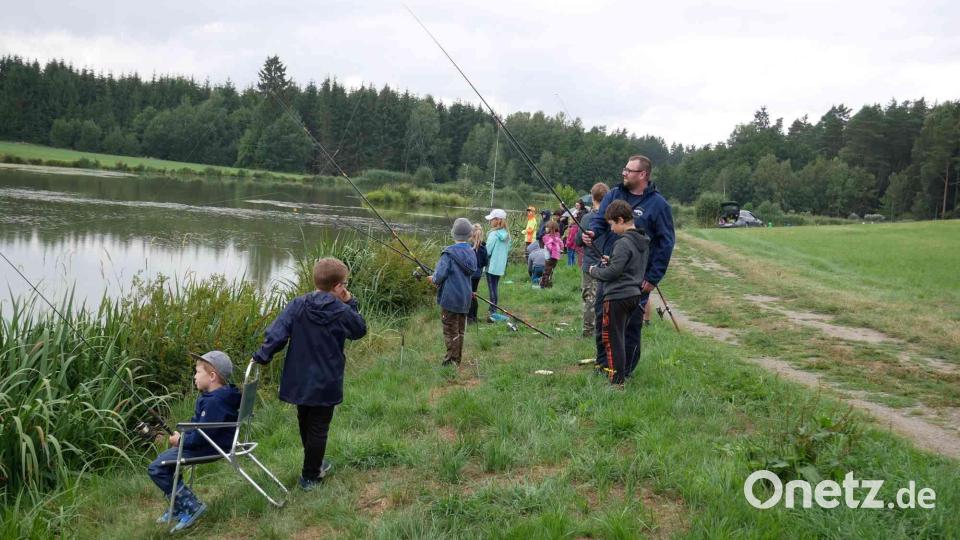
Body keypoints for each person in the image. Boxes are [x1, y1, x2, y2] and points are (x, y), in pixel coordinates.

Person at [252, 257, 366, 491]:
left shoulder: (298, 304)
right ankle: (310, 476)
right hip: (326, 380)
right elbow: (359, 330)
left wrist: (262, 355)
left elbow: (277, 333)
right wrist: (351, 302)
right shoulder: (341, 310)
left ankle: (313, 464)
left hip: (299, 378)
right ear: (337, 286)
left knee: (305, 421)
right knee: (318, 428)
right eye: (344, 284)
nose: (346, 288)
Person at [582, 155, 675, 377]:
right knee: (602, 321)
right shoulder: (614, 194)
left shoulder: (659, 205)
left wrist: (653, 279)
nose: (623, 173)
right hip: (610, 273)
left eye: (629, 170)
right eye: (624, 169)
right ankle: (603, 365)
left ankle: (625, 371)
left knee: (630, 327)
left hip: (636, 280)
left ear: (642, 174)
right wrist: (593, 233)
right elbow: (600, 220)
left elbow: (666, 243)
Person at [148, 350, 240, 531]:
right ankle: (178, 505)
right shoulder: (220, 396)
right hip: (217, 443)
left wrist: (181, 440)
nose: (194, 376)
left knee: (156, 467)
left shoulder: (214, 402)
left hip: (212, 447)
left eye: (198, 372)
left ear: (212, 376)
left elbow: (202, 436)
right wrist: (184, 434)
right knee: (166, 462)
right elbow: (201, 425)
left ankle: (191, 506)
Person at [588, 200, 649, 386]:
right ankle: (621, 376)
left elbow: (613, 273)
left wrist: (594, 271)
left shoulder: (622, 242)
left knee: (612, 340)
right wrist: (612, 259)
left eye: (612, 224)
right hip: (634, 295)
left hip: (617, 297)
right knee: (621, 337)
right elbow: (628, 265)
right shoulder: (642, 240)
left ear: (621, 220)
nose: (612, 229)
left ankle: (617, 382)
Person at [429, 218, 478, 365]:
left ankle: (451, 361)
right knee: (460, 330)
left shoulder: (448, 254)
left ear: (453, 235)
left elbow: (439, 277)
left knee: (450, 330)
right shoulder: (472, 252)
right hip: (464, 299)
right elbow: (472, 272)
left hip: (450, 299)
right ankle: (457, 359)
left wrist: (432, 279)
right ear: (470, 235)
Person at [576, 182, 609, 338]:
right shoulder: (612, 219)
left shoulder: (587, 218)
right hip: (607, 265)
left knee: (589, 298)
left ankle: (588, 331)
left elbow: (577, 242)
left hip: (589, 265)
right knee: (605, 298)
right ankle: (603, 329)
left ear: (592, 196)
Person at [484, 209, 512, 322]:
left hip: (491, 266)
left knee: (492, 288)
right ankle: (493, 308)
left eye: (491, 219)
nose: (490, 221)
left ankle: (493, 310)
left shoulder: (493, 234)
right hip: (500, 266)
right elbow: (508, 249)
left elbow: (487, 251)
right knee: (495, 287)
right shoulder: (507, 235)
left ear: (497, 221)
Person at [467, 224, 488, 324]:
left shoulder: (468, 248)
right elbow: (485, 262)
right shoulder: (484, 248)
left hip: (470, 275)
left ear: (471, 235)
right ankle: (474, 316)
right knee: (474, 294)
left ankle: (469, 317)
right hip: (478, 274)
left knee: (468, 295)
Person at [540, 220, 562, 288]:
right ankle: (549, 284)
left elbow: (550, 246)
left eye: (547, 227)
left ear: (551, 228)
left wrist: (550, 248)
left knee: (546, 271)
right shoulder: (557, 236)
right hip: (555, 257)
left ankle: (544, 285)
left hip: (549, 258)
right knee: (550, 271)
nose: (545, 228)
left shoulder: (548, 237)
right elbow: (561, 244)